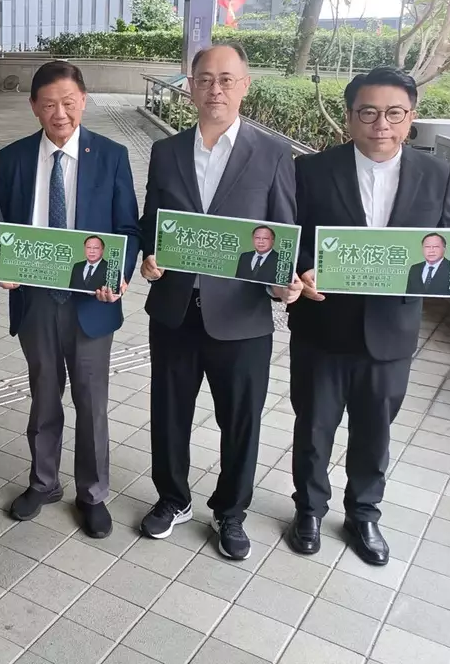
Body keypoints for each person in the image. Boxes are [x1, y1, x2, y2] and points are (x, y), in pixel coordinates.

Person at [287, 68, 450, 565]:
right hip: (322, 325)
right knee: (313, 427)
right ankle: (309, 509)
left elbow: (442, 239)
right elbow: (292, 236)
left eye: (394, 113)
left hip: (391, 330)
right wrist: (303, 268)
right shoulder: (311, 170)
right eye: (369, 112)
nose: (382, 124)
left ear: (411, 117)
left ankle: (363, 514)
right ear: (349, 117)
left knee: (375, 431)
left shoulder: (435, 173)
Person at [139, 43, 301, 561]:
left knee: (241, 421)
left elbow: (283, 231)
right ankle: (173, 498)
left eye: (227, 79)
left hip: (242, 317)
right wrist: (148, 256)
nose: (216, 89)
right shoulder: (166, 152)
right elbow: (153, 223)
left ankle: (230, 512)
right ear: (190, 86)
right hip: (175, 310)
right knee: (168, 413)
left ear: (245, 86)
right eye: (205, 79)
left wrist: (283, 283)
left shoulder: (272, 153)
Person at [0, 61, 139, 539]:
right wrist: (1, 268)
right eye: (49, 104)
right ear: (34, 106)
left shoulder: (111, 156)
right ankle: (44, 482)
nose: (60, 113)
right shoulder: (12, 159)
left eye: (69, 102)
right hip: (35, 300)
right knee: (43, 395)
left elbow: (128, 228)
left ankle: (92, 493)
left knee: (91, 402)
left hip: (92, 303)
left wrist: (118, 275)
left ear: (84, 101)